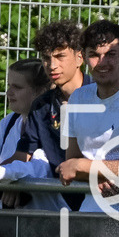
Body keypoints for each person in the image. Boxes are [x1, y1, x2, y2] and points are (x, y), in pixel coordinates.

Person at [56, 20, 119, 213]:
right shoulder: (78, 98)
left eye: (110, 54)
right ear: (83, 57)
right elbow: (70, 163)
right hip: (90, 207)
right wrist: (96, 174)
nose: (102, 62)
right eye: (94, 55)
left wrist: (84, 166)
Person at [12, 20, 91, 210]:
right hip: (57, 196)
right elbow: (24, 154)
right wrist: (9, 181)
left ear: (79, 57)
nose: (52, 65)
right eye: (47, 58)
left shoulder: (100, 97)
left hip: (100, 195)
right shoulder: (41, 106)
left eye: (60, 56)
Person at [0, 58, 64, 210]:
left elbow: (40, 167)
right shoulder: (9, 122)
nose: (9, 93)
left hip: (48, 217)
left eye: (17, 87)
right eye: (9, 86)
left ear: (40, 92)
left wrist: (14, 181)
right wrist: (9, 182)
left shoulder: (53, 126)